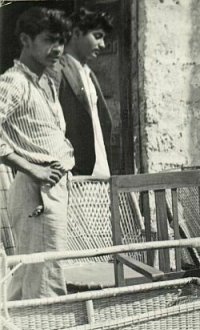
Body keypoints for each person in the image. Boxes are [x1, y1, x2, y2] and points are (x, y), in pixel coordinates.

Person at [0, 7, 74, 300]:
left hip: (52, 185)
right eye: (48, 40)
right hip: (37, 188)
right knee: (45, 280)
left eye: (61, 41)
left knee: (30, 276)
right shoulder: (14, 82)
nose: (57, 49)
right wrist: (32, 168)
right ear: (25, 39)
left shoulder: (46, 81)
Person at [56, 7, 113, 177]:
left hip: (99, 170)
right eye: (97, 36)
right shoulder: (57, 69)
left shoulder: (88, 74)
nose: (102, 44)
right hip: (74, 174)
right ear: (77, 33)